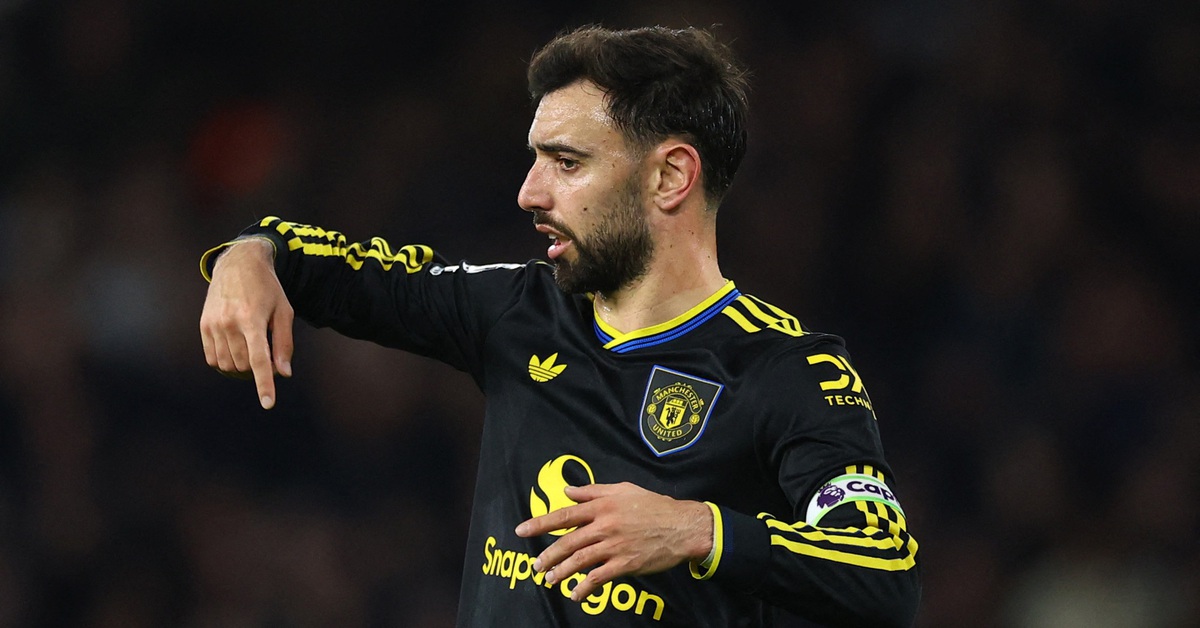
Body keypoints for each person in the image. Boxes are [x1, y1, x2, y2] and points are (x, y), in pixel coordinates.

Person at [199, 25, 919, 627]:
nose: (529, 192)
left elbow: (885, 571)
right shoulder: (516, 312)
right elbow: (337, 269)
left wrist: (697, 529)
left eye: (566, 163)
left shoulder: (785, 372)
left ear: (670, 176)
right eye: (535, 160)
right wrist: (250, 252)